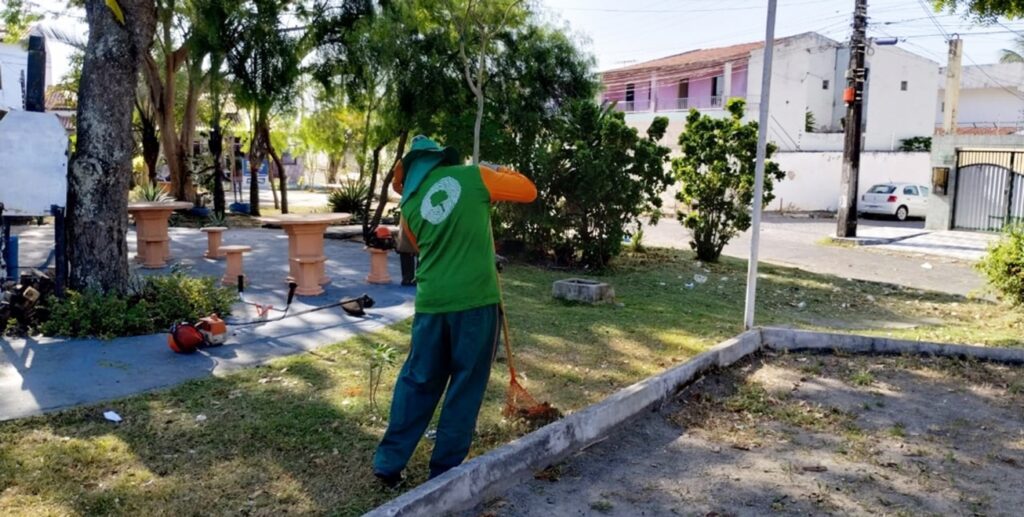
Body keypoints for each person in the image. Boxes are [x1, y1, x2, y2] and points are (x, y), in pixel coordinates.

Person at [373, 135, 537, 487]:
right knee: (465, 384)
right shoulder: (474, 177)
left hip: (431, 305)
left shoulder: (411, 206)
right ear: (442, 159)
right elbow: (527, 191)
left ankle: (388, 462)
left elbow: (416, 246)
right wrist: (496, 171)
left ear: (412, 172)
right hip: (475, 304)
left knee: (417, 381)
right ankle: (445, 471)